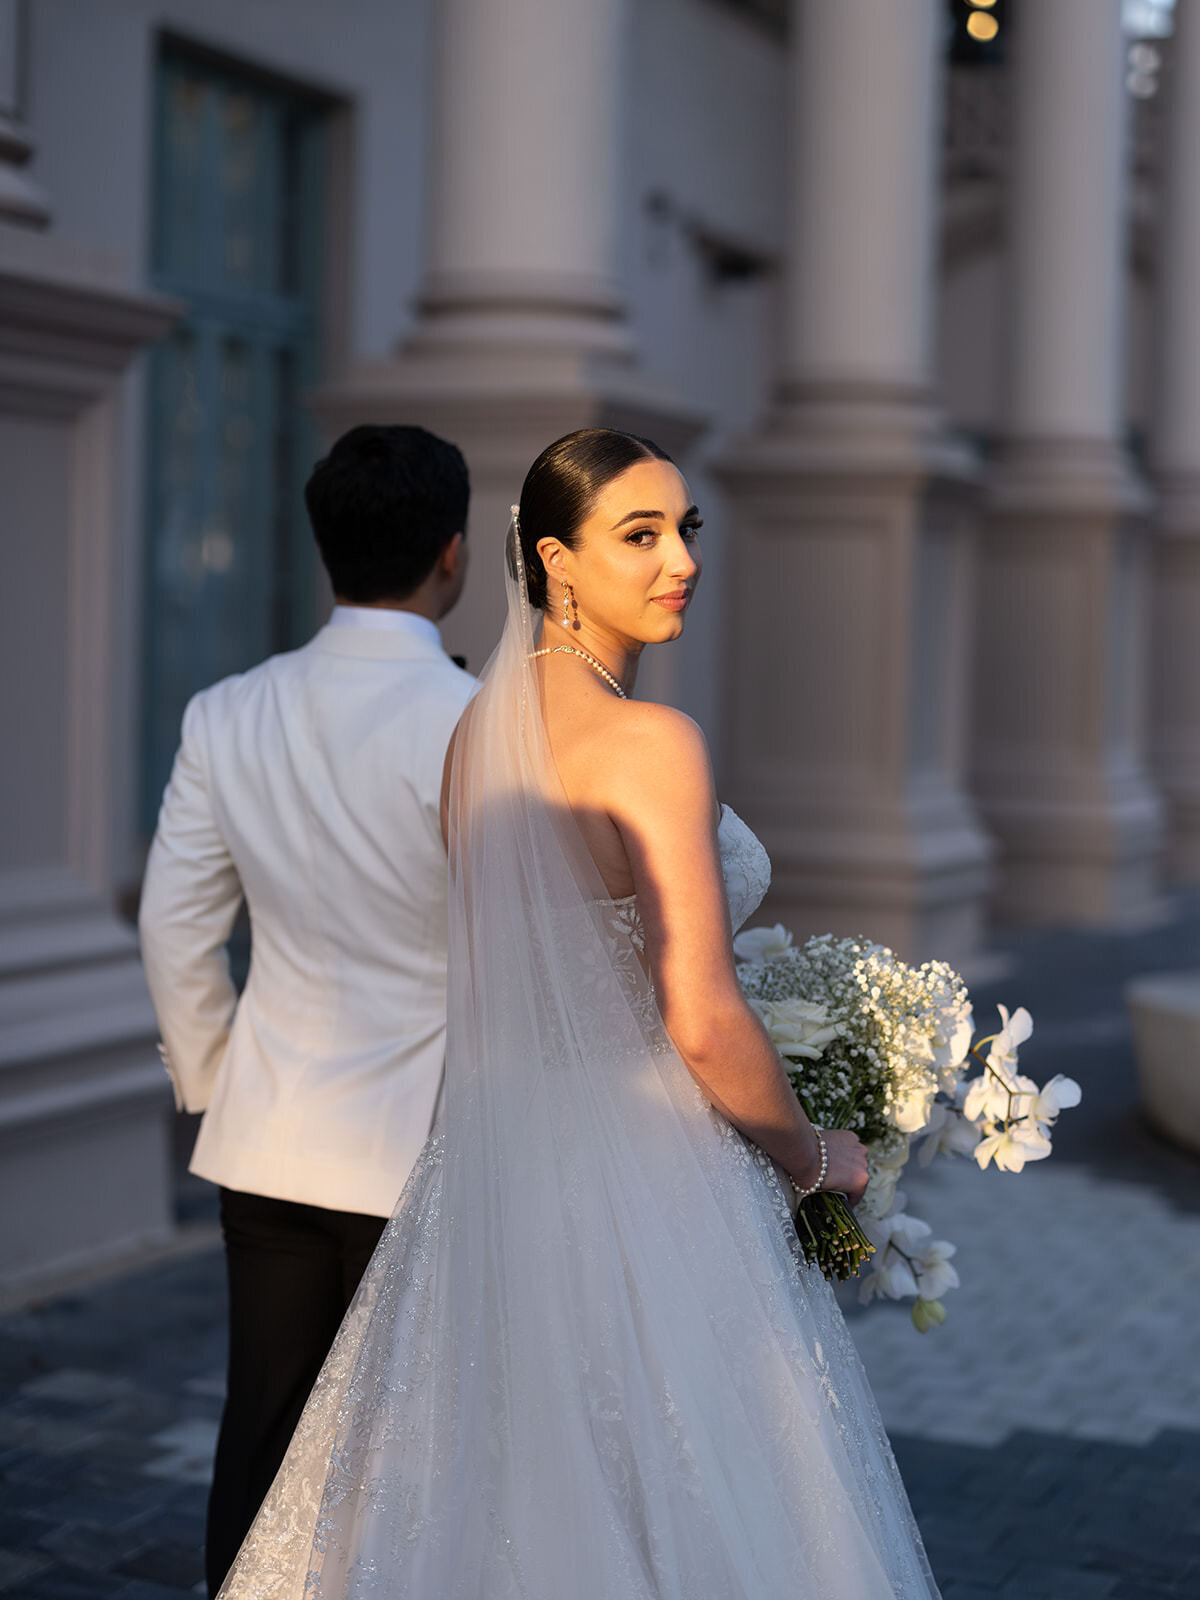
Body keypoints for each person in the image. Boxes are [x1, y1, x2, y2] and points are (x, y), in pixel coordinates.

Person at [216, 428, 941, 1598]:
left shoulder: (473, 741)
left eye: (687, 530)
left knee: (490, 1492)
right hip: (654, 1173)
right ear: (556, 562)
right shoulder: (651, 744)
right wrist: (819, 1162)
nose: (682, 560)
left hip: (494, 1174)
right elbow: (697, 1013)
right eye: (641, 535)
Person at [138, 424, 475, 1598]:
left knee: (263, 1431)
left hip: (271, 1136)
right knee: (409, 1460)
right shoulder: (483, 728)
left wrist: (220, 1080)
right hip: (431, 1153)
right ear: (455, 553)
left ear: (323, 546)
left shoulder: (226, 712)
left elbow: (176, 926)